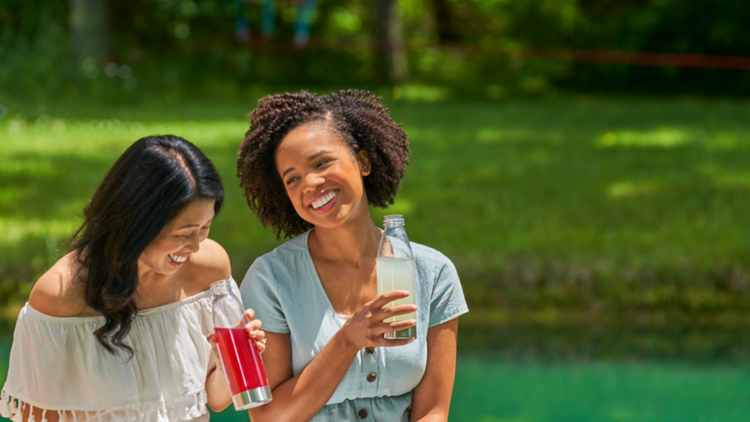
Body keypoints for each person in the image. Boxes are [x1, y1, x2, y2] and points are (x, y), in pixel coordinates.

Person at [236, 90, 469, 421]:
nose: (311, 184)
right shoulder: (270, 279)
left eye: (322, 162)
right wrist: (347, 341)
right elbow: (268, 417)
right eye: (293, 179)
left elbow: (432, 411)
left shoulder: (433, 273)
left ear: (362, 161)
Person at [0, 135, 265, 422]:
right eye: (182, 234)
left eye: (205, 227)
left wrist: (232, 363)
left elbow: (215, 400)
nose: (195, 246)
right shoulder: (61, 296)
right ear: (136, 222)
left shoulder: (209, 269)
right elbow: (39, 415)